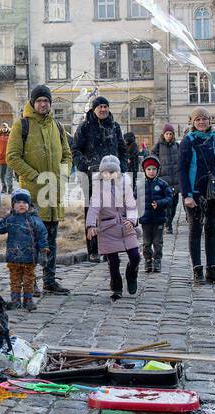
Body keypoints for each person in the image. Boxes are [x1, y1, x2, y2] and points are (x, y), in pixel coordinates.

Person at [6, 85, 73, 296]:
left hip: (54, 192)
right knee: (32, 240)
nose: (43, 104)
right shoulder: (21, 125)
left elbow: (67, 155)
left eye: (46, 100)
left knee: (51, 239)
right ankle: (31, 282)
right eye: (39, 101)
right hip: (33, 194)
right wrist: (35, 176)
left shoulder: (58, 126)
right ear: (33, 103)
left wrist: (64, 173)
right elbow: (12, 157)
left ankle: (49, 280)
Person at [179, 107, 215, 285]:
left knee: (212, 231)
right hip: (195, 193)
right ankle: (197, 271)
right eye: (198, 119)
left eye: (204, 119)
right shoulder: (188, 140)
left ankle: (212, 270)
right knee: (195, 231)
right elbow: (182, 170)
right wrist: (187, 195)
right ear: (192, 122)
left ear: (209, 121)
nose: (201, 122)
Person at [72, 95, 127, 262]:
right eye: (99, 107)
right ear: (93, 109)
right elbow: (75, 149)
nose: (103, 109)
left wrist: (122, 167)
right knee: (92, 213)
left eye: (105, 106)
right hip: (91, 176)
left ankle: (109, 248)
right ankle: (93, 250)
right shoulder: (85, 127)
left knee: (111, 213)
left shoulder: (115, 127)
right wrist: (84, 165)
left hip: (112, 176)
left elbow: (122, 149)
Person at [85, 154, 140, 301]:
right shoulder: (98, 190)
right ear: (102, 173)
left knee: (135, 256)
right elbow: (93, 208)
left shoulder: (125, 186)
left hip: (126, 226)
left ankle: (131, 273)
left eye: (112, 172)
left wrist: (132, 220)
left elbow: (132, 205)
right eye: (106, 172)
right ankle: (116, 287)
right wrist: (90, 225)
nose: (109, 175)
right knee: (113, 262)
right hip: (108, 228)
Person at [0, 187, 47, 311]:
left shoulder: (34, 220)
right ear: (13, 205)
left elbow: (42, 236)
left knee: (28, 280)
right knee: (14, 279)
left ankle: (28, 299)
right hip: (13, 257)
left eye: (24, 203)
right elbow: (0, 228)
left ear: (29, 205)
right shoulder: (9, 219)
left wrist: (43, 252)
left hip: (30, 257)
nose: (21, 205)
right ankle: (15, 299)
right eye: (18, 203)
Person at [139, 155, 173, 273]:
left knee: (157, 242)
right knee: (146, 242)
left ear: (157, 170)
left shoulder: (163, 184)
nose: (151, 171)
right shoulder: (140, 185)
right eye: (149, 169)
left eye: (154, 169)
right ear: (144, 170)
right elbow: (134, 199)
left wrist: (160, 203)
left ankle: (157, 260)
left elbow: (169, 199)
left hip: (159, 218)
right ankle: (148, 260)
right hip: (145, 219)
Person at [152, 124, 183, 234]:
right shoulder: (158, 146)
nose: (169, 136)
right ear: (163, 134)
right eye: (167, 134)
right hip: (164, 181)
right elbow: (153, 161)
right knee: (166, 204)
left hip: (175, 179)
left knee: (174, 204)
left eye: (170, 134)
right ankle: (167, 224)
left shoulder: (177, 146)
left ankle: (169, 221)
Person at [0, 122, 12, 193]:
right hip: (0, 158)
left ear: (7, 128)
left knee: (9, 175)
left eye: (5, 127)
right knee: (1, 175)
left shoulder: (11, 135)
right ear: (1, 128)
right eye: (3, 127)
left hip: (10, 158)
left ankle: (10, 188)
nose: (4, 129)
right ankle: (4, 187)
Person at [123, 131, 141, 197]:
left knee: (132, 181)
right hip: (128, 167)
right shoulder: (126, 145)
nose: (125, 140)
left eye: (126, 139)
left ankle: (132, 194)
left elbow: (134, 153)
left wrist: (129, 158)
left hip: (133, 167)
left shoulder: (133, 145)